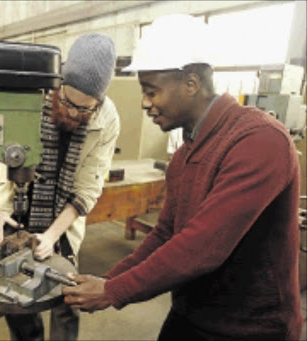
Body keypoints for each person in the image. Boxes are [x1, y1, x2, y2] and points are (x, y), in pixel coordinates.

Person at [62, 14, 303, 341]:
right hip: (191, 315)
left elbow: (204, 246)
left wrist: (112, 291)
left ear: (191, 83)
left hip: (252, 328)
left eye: (151, 91)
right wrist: (106, 279)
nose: (145, 104)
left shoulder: (260, 140)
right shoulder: (184, 156)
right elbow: (165, 235)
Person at [0, 33, 120, 341]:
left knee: (67, 302)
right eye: (67, 102)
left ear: (99, 101)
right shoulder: (24, 96)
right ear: (59, 81)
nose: (75, 113)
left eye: (85, 109)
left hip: (63, 226)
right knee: (17, 300)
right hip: (13, 215)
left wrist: (52, 236)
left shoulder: (108, 119)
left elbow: (87, 190)